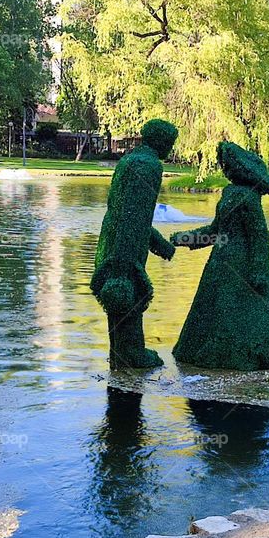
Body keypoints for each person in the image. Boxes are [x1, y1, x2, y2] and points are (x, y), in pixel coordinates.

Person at [170, 141, 269, 371]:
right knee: (221, 309)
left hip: (241, 263)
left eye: (227, 166)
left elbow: (260, 236)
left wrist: (259, 269)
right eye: (223, 166)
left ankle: (254, 354)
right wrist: (185, 238)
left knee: (246, 310)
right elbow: (215, 231)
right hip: (222, 262)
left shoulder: (247, 198)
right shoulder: (231, 194)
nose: (224, 170)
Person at [91, 119, 177, 369]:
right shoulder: (149, 166)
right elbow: (134, 219)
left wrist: (160, 245)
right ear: (162, 143)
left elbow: (129, 214)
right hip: (124, 248)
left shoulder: (129, 160)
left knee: (118, 298)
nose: (170, 149)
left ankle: (119, 351)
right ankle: (132, 353)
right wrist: (125, 264)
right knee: (127, 292)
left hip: (109, 241)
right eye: (170, 144)